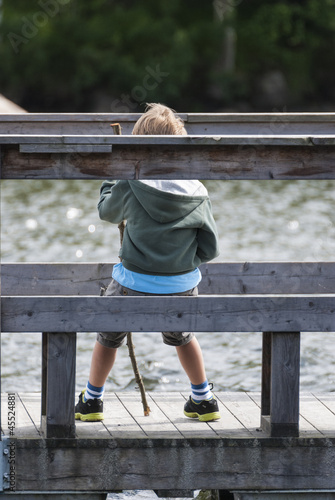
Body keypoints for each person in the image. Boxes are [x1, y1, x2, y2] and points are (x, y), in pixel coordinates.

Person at [75, 103, 221, 423]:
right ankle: (204, 399)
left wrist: (114, 176)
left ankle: (91, 401)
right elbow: (210, 247)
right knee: (183, 337)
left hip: (133, 283)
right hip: (181, 285)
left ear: (138, 148)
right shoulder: (197, 190)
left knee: (108, 336)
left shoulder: (131, 181)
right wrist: (182, 263)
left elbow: (107, 212)